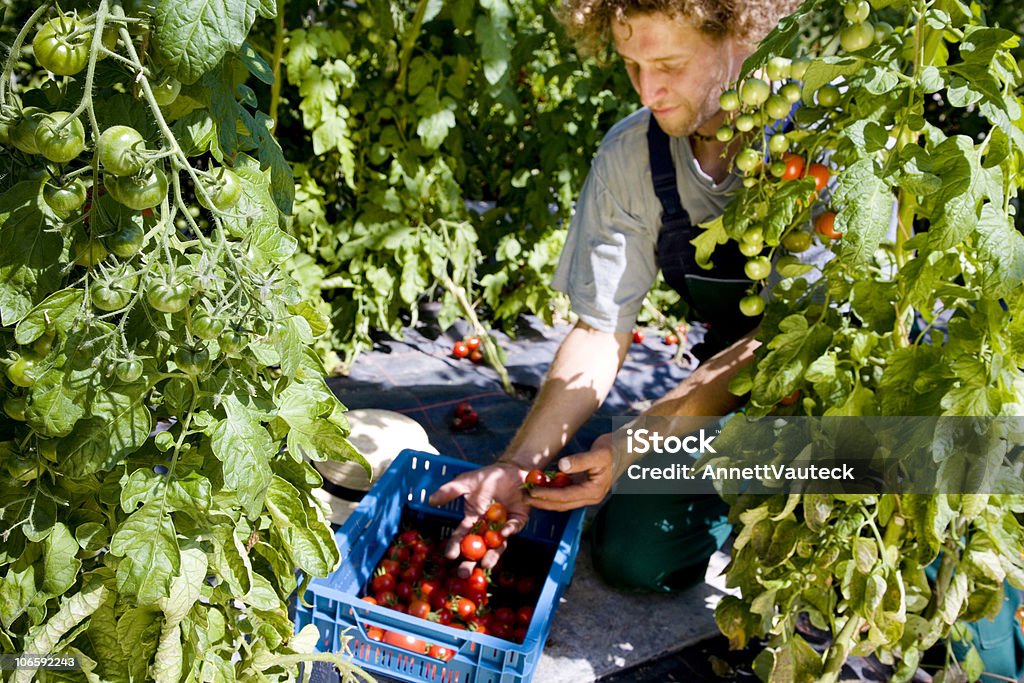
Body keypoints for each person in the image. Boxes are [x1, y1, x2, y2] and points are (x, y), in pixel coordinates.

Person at [429, 0, 802, 588]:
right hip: (736, 391)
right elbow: (601, 330)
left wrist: (644, 435)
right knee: (635, 557)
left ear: (742, 35)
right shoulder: (634, 156)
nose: (649, 89)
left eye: (669, 64)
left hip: (859, 391)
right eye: (631, 65)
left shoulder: (823, 143)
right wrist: (517, 464)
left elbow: (790, 341)